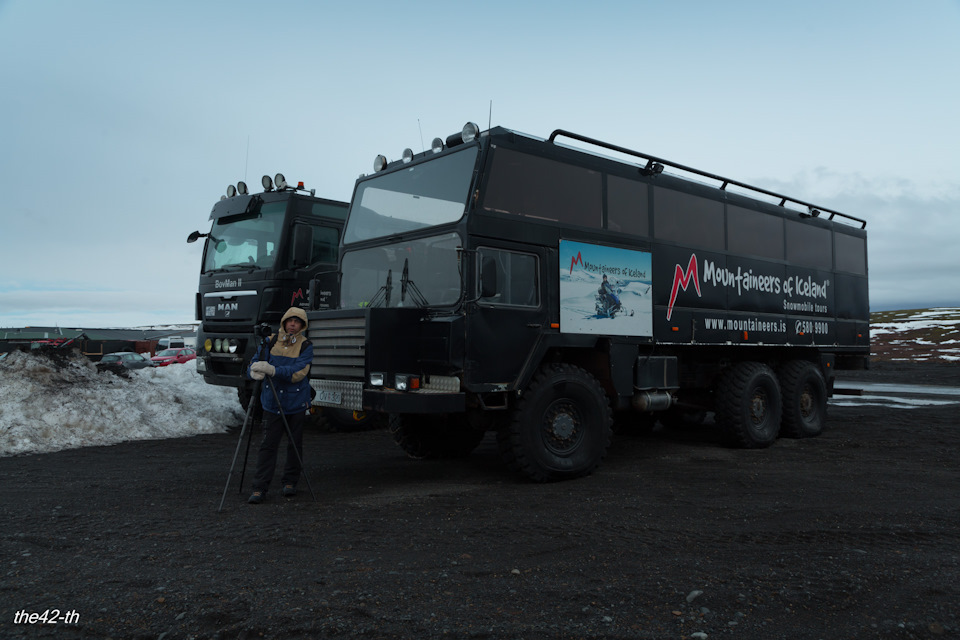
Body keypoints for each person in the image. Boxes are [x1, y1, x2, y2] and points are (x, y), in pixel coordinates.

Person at [246, 307, 314, 504]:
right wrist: (254, 370)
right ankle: (259, 488)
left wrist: (273, 370)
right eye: (290, 320)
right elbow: (255, 362)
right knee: (268, 446)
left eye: (297, 321)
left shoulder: (305, 345)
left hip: (296, 402)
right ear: (284, 322)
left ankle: (290, 482)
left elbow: (298, 372)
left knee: (294, 445)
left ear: (302, 325)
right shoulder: (270, 341)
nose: (293, 324)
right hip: (272, 403)